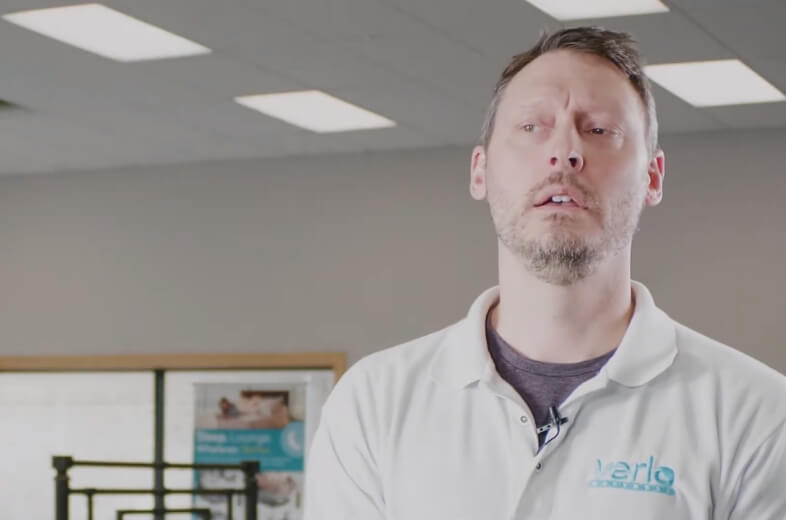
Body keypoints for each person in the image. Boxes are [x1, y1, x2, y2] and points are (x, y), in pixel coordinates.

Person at [303, 27, 786, 519]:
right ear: (480, 170)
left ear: (652, 177)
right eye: (532, 126)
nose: (564, 153)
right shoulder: (372, 404)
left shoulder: (758, 415)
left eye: (599, 130)